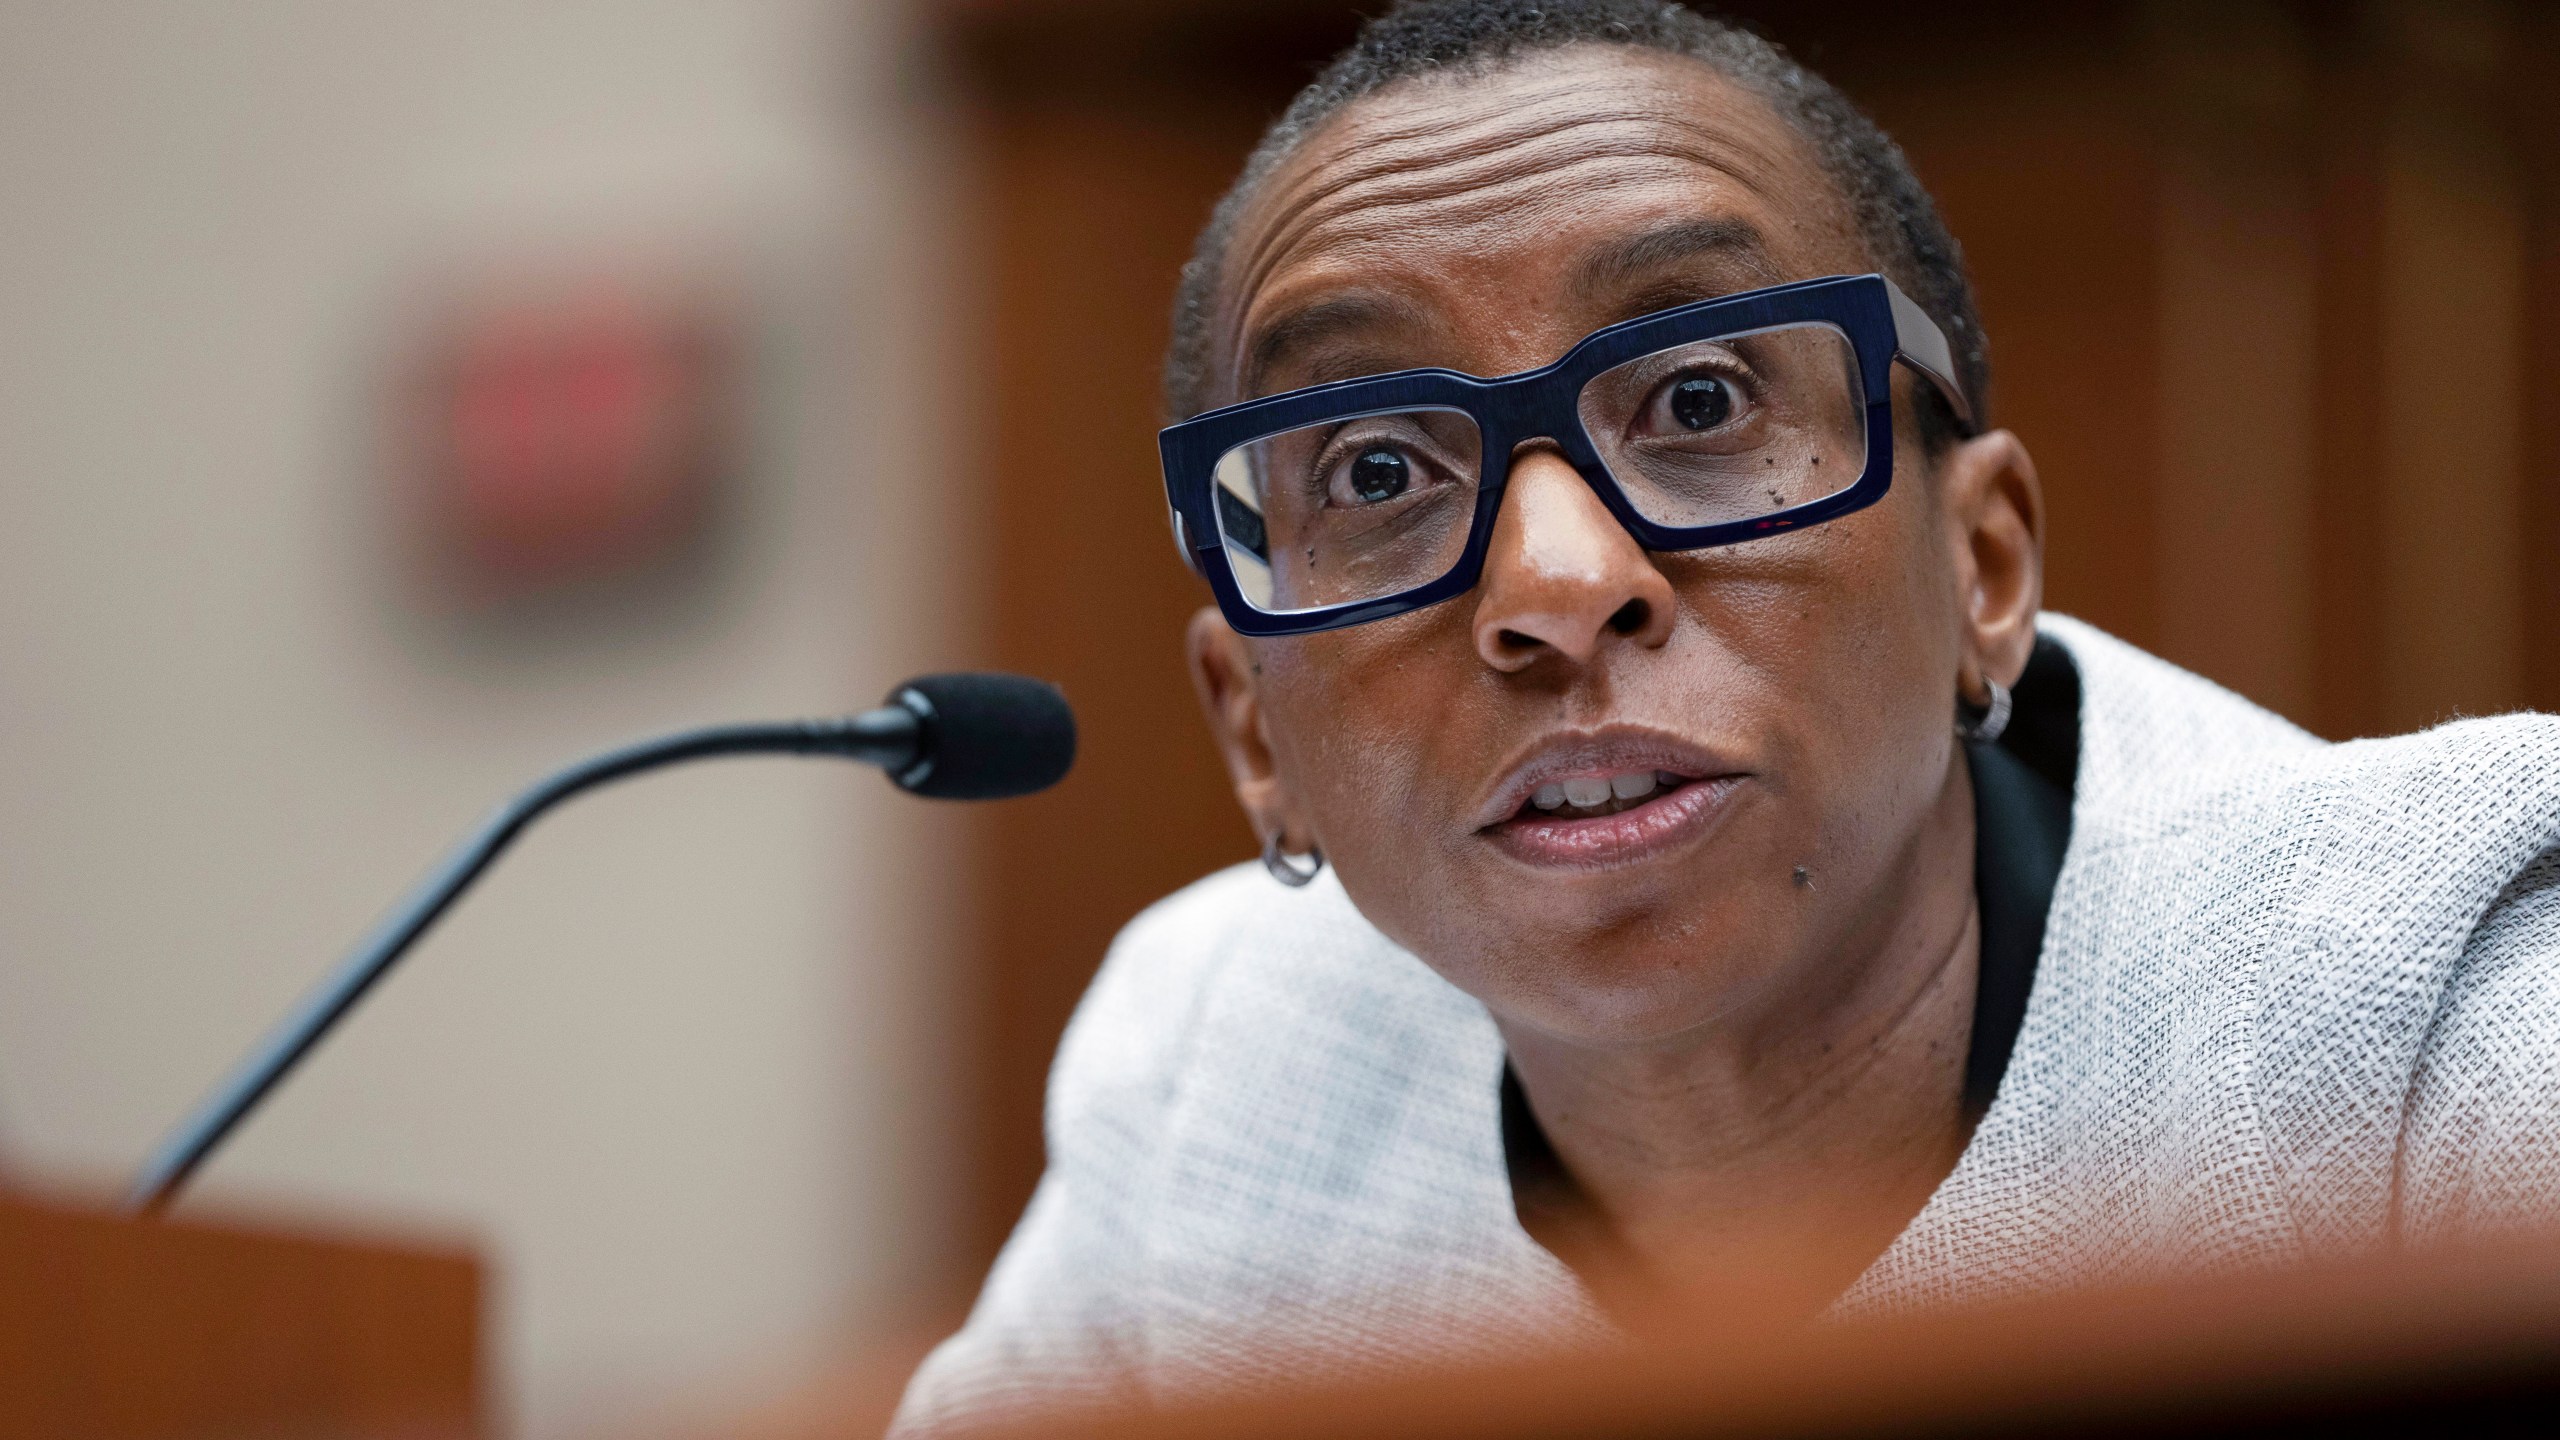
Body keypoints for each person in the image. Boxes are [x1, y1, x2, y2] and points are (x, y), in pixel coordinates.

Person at [895, 0, 2560, 1428]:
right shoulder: (1214, 1075)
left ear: (1983, 567)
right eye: (1381, 474)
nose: (1555, 580)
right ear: (1256, 740)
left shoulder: (2430, 1010)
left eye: (1700, 403)